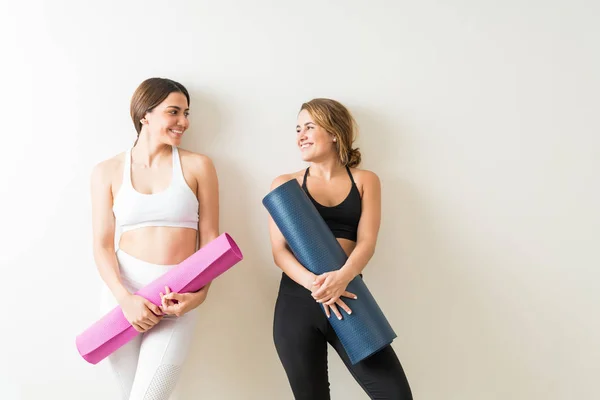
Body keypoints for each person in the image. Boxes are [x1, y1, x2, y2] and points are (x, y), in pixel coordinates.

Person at [268, 98, 413, 399]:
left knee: (395, 394)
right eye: (298, 129)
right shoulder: (285, 184)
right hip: (298, 302)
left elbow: (367, 242)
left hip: (348, 296)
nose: (301, 136)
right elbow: (279, 252)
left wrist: (342, 277)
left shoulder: (365, 180)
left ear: (334, 132)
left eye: (309, 126)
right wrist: (316, 284)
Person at [91, 77, 219, 399]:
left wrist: (200, 294)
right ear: (144, 115)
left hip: (175, 297)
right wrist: (124, 299)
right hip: (123, 295)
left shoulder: (198, 165)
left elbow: (212, 240)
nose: (184, 122)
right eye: (174, 112)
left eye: (187, 113)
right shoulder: (107, 170)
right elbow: (103, 244)